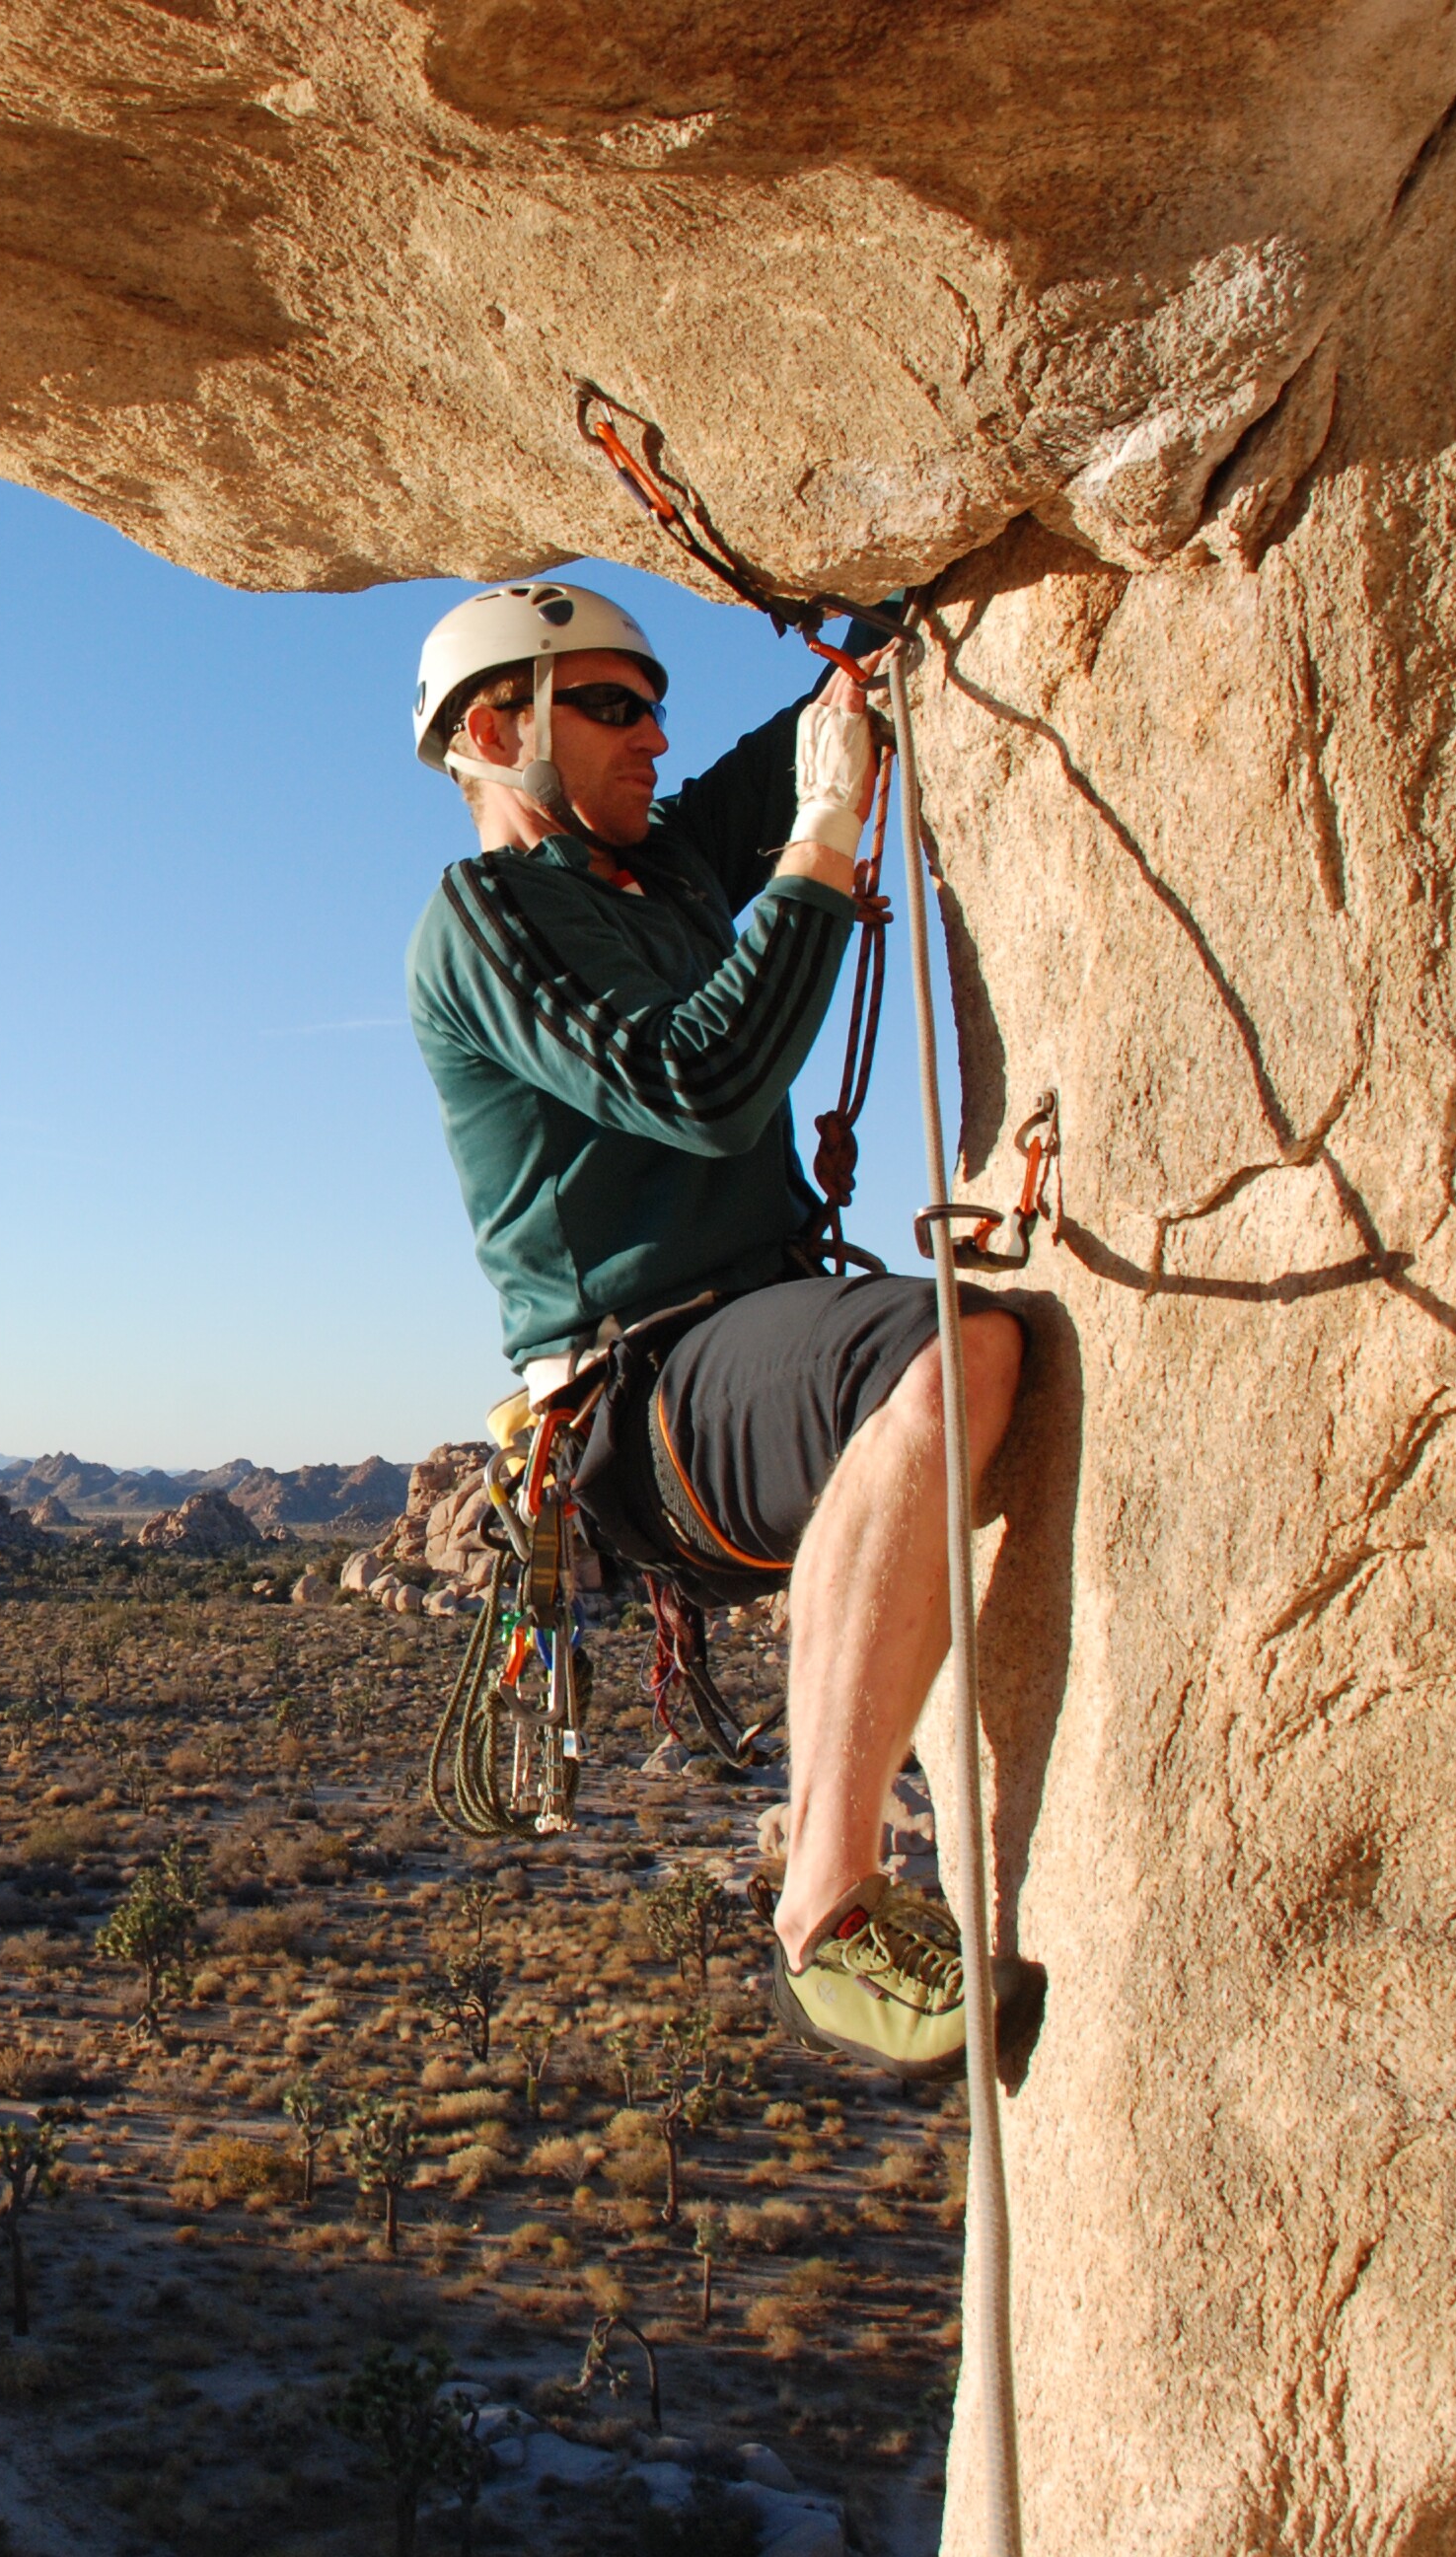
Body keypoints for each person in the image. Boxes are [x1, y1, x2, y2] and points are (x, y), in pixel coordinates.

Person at [400, 579, 1025, 2075]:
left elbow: (815, 734)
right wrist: (819, 848)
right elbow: (702, 1084)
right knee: (952, 1354)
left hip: (749, 1340)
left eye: (652, 703)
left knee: (937, 1355)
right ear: (498, 729)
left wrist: (873, 667)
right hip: (647, 1392)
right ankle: (825, 1899)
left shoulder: (660, 869)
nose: (654, 736)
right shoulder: (483, 923)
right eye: (612, 707)